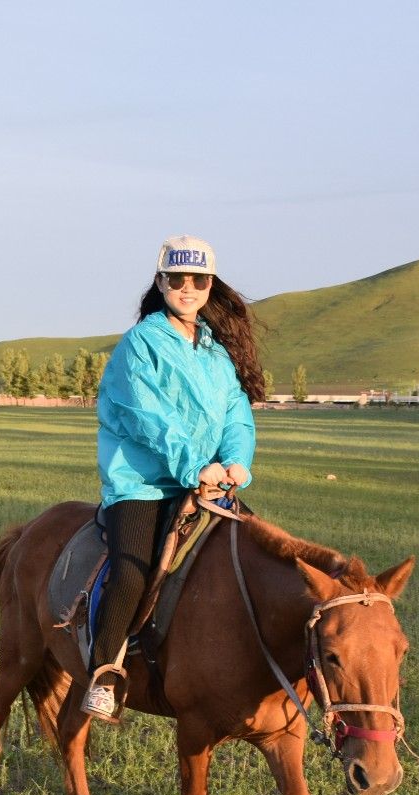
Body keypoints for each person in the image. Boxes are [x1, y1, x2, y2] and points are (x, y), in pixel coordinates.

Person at [82, 235, 266, 721]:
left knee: (250, 557)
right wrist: (195, 466)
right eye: (177, 279)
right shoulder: (140, 343)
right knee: (132, 569)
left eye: (198, 280)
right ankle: (104, 671)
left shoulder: (214, 350)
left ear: (210, 285)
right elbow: (148, 415)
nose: (188, 288)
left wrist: (237, 461)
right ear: (161, 281)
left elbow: (235, 412)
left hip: (204, 482)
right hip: (142, 483)